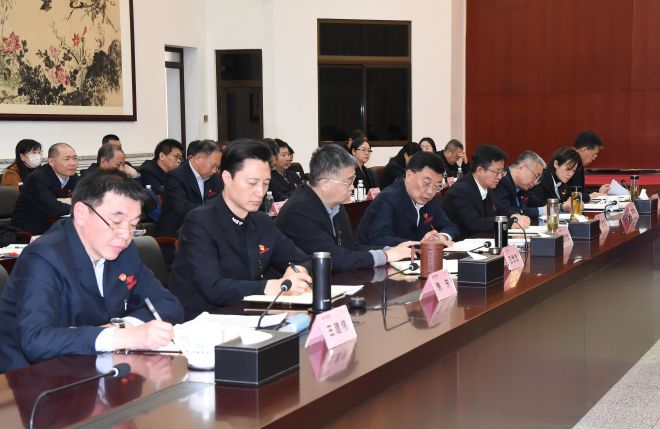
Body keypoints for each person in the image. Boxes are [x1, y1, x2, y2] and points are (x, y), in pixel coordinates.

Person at [0, 170, 183, 373]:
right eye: (116, 223)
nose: (125, 235)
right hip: (32, 378)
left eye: (133, 225)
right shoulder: (43, 257)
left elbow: (168, 304)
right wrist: (119, 337)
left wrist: (124, 326)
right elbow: (36, 341)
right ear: (81, 214)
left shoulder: (125, 250)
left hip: (97, 367)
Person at [169, 140, 311, 319]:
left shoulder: (261, 221)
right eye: (252, 183)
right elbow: (213, 288)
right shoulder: (200, 221)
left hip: (249, 313)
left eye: (266, 183)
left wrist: (297, 270)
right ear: (227, 178)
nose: (260, 192)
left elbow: (304, 260)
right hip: (204, 320)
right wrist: (271, 286)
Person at [276, 145, 417, 273]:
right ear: (325, 184)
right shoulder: (300, 211)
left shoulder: (335, 204)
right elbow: (332, 259)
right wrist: (385, 256)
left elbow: (351, 248)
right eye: (348, 181)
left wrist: (390, 250)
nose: (352, 187)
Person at [356, 151, 459, 247]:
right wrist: (419, 244)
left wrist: (442, 237)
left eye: (437, 186)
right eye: (426, 183)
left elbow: (450, 226)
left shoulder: (429, 199)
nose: (430, 191)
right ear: (409, 175)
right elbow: (379, 239)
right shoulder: (387, 200)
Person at [441, 144, 516, 240]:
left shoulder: (486, 187)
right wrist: (510, 222)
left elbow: (501, 209)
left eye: (502, 172)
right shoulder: (460, 190)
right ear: (480, 170)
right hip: (460, 245)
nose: (500, 177)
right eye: (497, 172)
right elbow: (475, 224)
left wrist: (514, 215)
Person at [154, 140, 222, 237]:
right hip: (177, 234)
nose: (215, 171)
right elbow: (183, 208)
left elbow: (221, 202)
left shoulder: (215, 178)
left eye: (217, 167)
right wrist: (214, 211)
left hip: (207, 231)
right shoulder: (176, 177)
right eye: (213, 165)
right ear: (198, 158)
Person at [11, 143, 79, 235]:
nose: (73, 163)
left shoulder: (73, 176)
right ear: (51, 162)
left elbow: (87, 199)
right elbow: (55, 209)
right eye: (66, 159)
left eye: (75, 158)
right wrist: (74, 202)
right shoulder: (37, 178)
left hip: (57, 227)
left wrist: (63, 201)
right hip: (30, 231)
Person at [491, 151, 546, 225]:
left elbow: (536, 202)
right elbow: (507, 212)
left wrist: (554, 206)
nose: (535, 182)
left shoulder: (523, 186)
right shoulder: (500, 181)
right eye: (536, 176)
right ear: (521, 167)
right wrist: (540, 210)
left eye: (538, 179)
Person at [528, 147, 582, 212]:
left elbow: (570, 199)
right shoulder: (541, 180)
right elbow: (536, 204)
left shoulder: (562, 181)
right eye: (568, 168)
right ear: (556, 164)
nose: (570, 174)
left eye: (573, 170)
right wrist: (562, 206)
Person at [567, 130, 610, 202]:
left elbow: (580, 192)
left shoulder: (578, 162)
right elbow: (569, 196)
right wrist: (589, 196)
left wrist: (598, 192)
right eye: (594, 154)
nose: (595, 157)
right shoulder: (568, 163)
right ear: (585, 150)